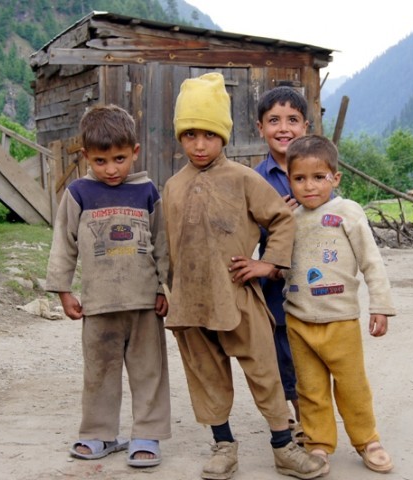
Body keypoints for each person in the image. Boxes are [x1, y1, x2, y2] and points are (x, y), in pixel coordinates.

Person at [162, 72, 328, 480]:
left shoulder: (243, 179)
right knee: (206, 375)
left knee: (265, 372)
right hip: (192, 305)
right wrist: (164, 289)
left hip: (239, 297)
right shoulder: (172, 187)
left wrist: (268, 265)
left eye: (209, 135)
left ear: (225, 136)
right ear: (180, 137)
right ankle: (223, 445)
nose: (200, 145)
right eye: (190, 135)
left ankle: (283, 447)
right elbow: (165, 244)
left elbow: (281, 221)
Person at [45, 104, 171, 468]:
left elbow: (163, 244)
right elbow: (63, 242)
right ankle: (100, 433)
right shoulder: (79, 193)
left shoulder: (147, 191)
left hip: (144, 304)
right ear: (85, 156)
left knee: (149, 370)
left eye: (119, 158)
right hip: (98, 305)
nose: (111, 169)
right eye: (101, 161)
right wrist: (63, 290)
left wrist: (164, 289)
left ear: (134, 152)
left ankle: (147, 432)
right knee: (99, 371)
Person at [279, 134, 396, 474]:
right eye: (299, 178)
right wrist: (278, 224)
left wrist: (380, 305)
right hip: (299, 320)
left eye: (319, 177)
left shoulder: (348, 212)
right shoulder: (290, 217)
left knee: (352, 385)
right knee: (310, 389)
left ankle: (367, 440)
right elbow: (274, 260)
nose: (309, 187)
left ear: (336, 178)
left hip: (340, 318)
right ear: (289, 180)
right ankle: (318, 444)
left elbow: (371, 261)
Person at [254, 86, 310, 432]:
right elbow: (246, 234)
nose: (283, 128)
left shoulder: (318, 172)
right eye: (274, 120)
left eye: (292, 119)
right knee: (283, 352)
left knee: (315, 348)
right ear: (260, 128)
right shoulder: (255, 179)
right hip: (276, 285)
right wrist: (273, 222)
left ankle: (316, 413)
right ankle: (299, 415)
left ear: (306, 126)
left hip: (316, 279)